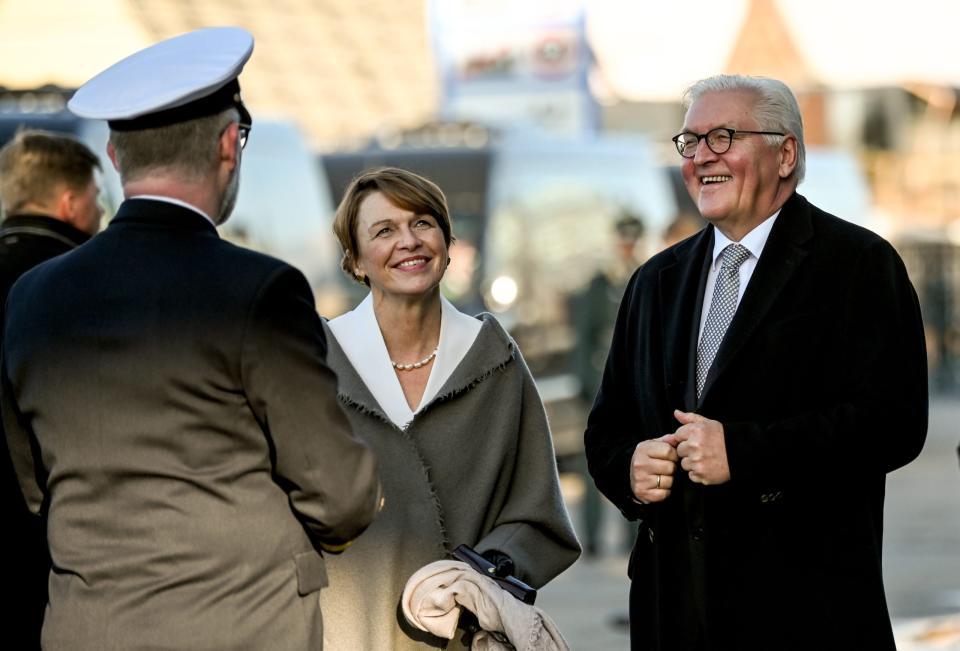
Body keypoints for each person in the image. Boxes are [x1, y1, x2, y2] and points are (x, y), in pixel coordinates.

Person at [1, 27, 381, 650]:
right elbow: (339, 494)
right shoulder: (261, 292)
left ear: (116, 158)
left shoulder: (34, 296)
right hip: (239, 633)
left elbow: (33, 483)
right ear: (230, 144)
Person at [584, 74, 928, 651]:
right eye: (690, 142)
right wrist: (631, 469)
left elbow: (893, 424)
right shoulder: (656, 281)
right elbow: (607, 427)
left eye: (723, 137)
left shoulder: (858, 265)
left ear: (786, 153)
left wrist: (744, 452)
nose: (701, 158)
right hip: (676, 614)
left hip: (805, 614)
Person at [320, 167, 580, 650]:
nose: (409, 242)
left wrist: (482, 576)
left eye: (422, 223)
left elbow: (537, 515)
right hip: (346, 634)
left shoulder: (494, 359)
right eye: (384, 230)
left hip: (464, 636)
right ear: (356, 260)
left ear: (447, 240)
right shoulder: (318, 362)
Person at [0, 129, 103, 649]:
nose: (103, 213)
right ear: (70, 204)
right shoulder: (83, 287)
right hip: (53, 547)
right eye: (96, 199)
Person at [571, 213, 645, 557]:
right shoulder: (601, 283)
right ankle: (593, 538)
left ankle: (635, 534)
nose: (627, 244)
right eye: (624, 238)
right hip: (602, 376)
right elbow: (584, 334)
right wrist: (584, 380)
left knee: (638, 455)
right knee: (596, 460)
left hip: (635, 378)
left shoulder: (645, 272)